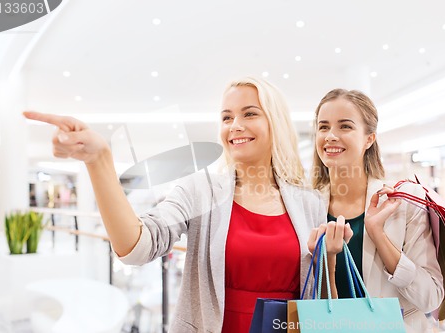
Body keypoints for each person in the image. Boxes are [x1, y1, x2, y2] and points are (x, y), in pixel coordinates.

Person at [24, 77, 327, 332]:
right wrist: (99, 161)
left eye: (249, 114)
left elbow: (318, 289)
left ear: (275, 122)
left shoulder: (309, 202)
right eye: (226, 117)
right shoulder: (200, 190)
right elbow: (138, 247)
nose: (234, 125)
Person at [307, 89, 444, 333]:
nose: (330, 136)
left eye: (345, 127)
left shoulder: (402, 203)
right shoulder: (305, 205)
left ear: (369, 138)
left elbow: (431, 298)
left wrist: (377, 234)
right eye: (323, 127)